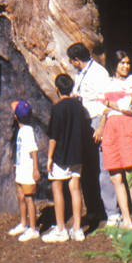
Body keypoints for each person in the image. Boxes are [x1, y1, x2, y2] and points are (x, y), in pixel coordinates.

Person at [66, 42, 121, 227]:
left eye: (72, 61)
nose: (72, 64)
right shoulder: (79, 73)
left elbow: (107, 103)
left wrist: (101, 128)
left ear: (76, 60)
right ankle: (94, 209)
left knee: (103, 168)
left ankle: (112, 212)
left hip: (98, 121)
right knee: (88, 168)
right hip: (84, 122)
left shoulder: (99, 73)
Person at [96, 50, 132, 230]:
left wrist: (109, 104)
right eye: (122, 63)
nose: (125, 66)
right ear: (114, 64)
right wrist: (109, 106)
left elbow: (126, 106)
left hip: (128, 126)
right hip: (111, 128)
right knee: (115, 176)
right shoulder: (107, 82)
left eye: (127, 63)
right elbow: (98, 99)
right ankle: (126, 219)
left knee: (131, 174)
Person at [42, 73, 91, 243]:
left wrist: (49, 157)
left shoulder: (57, 108)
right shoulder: (79, 106)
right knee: (75, 189)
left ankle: (61, 229)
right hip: (77, 153)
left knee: (57, 190)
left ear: (57, 89)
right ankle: (77, 229)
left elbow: (53, 136)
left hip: (61, 155)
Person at [8, 99, 40, 243]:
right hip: (21, 169)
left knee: (28, 199)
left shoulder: (28, 131)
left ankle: (33, 229)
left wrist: (35, 169)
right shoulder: (22, 130)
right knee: (21, 197)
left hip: (28, 172)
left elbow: (34, 151)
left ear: (16, 117)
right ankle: (23, 223)